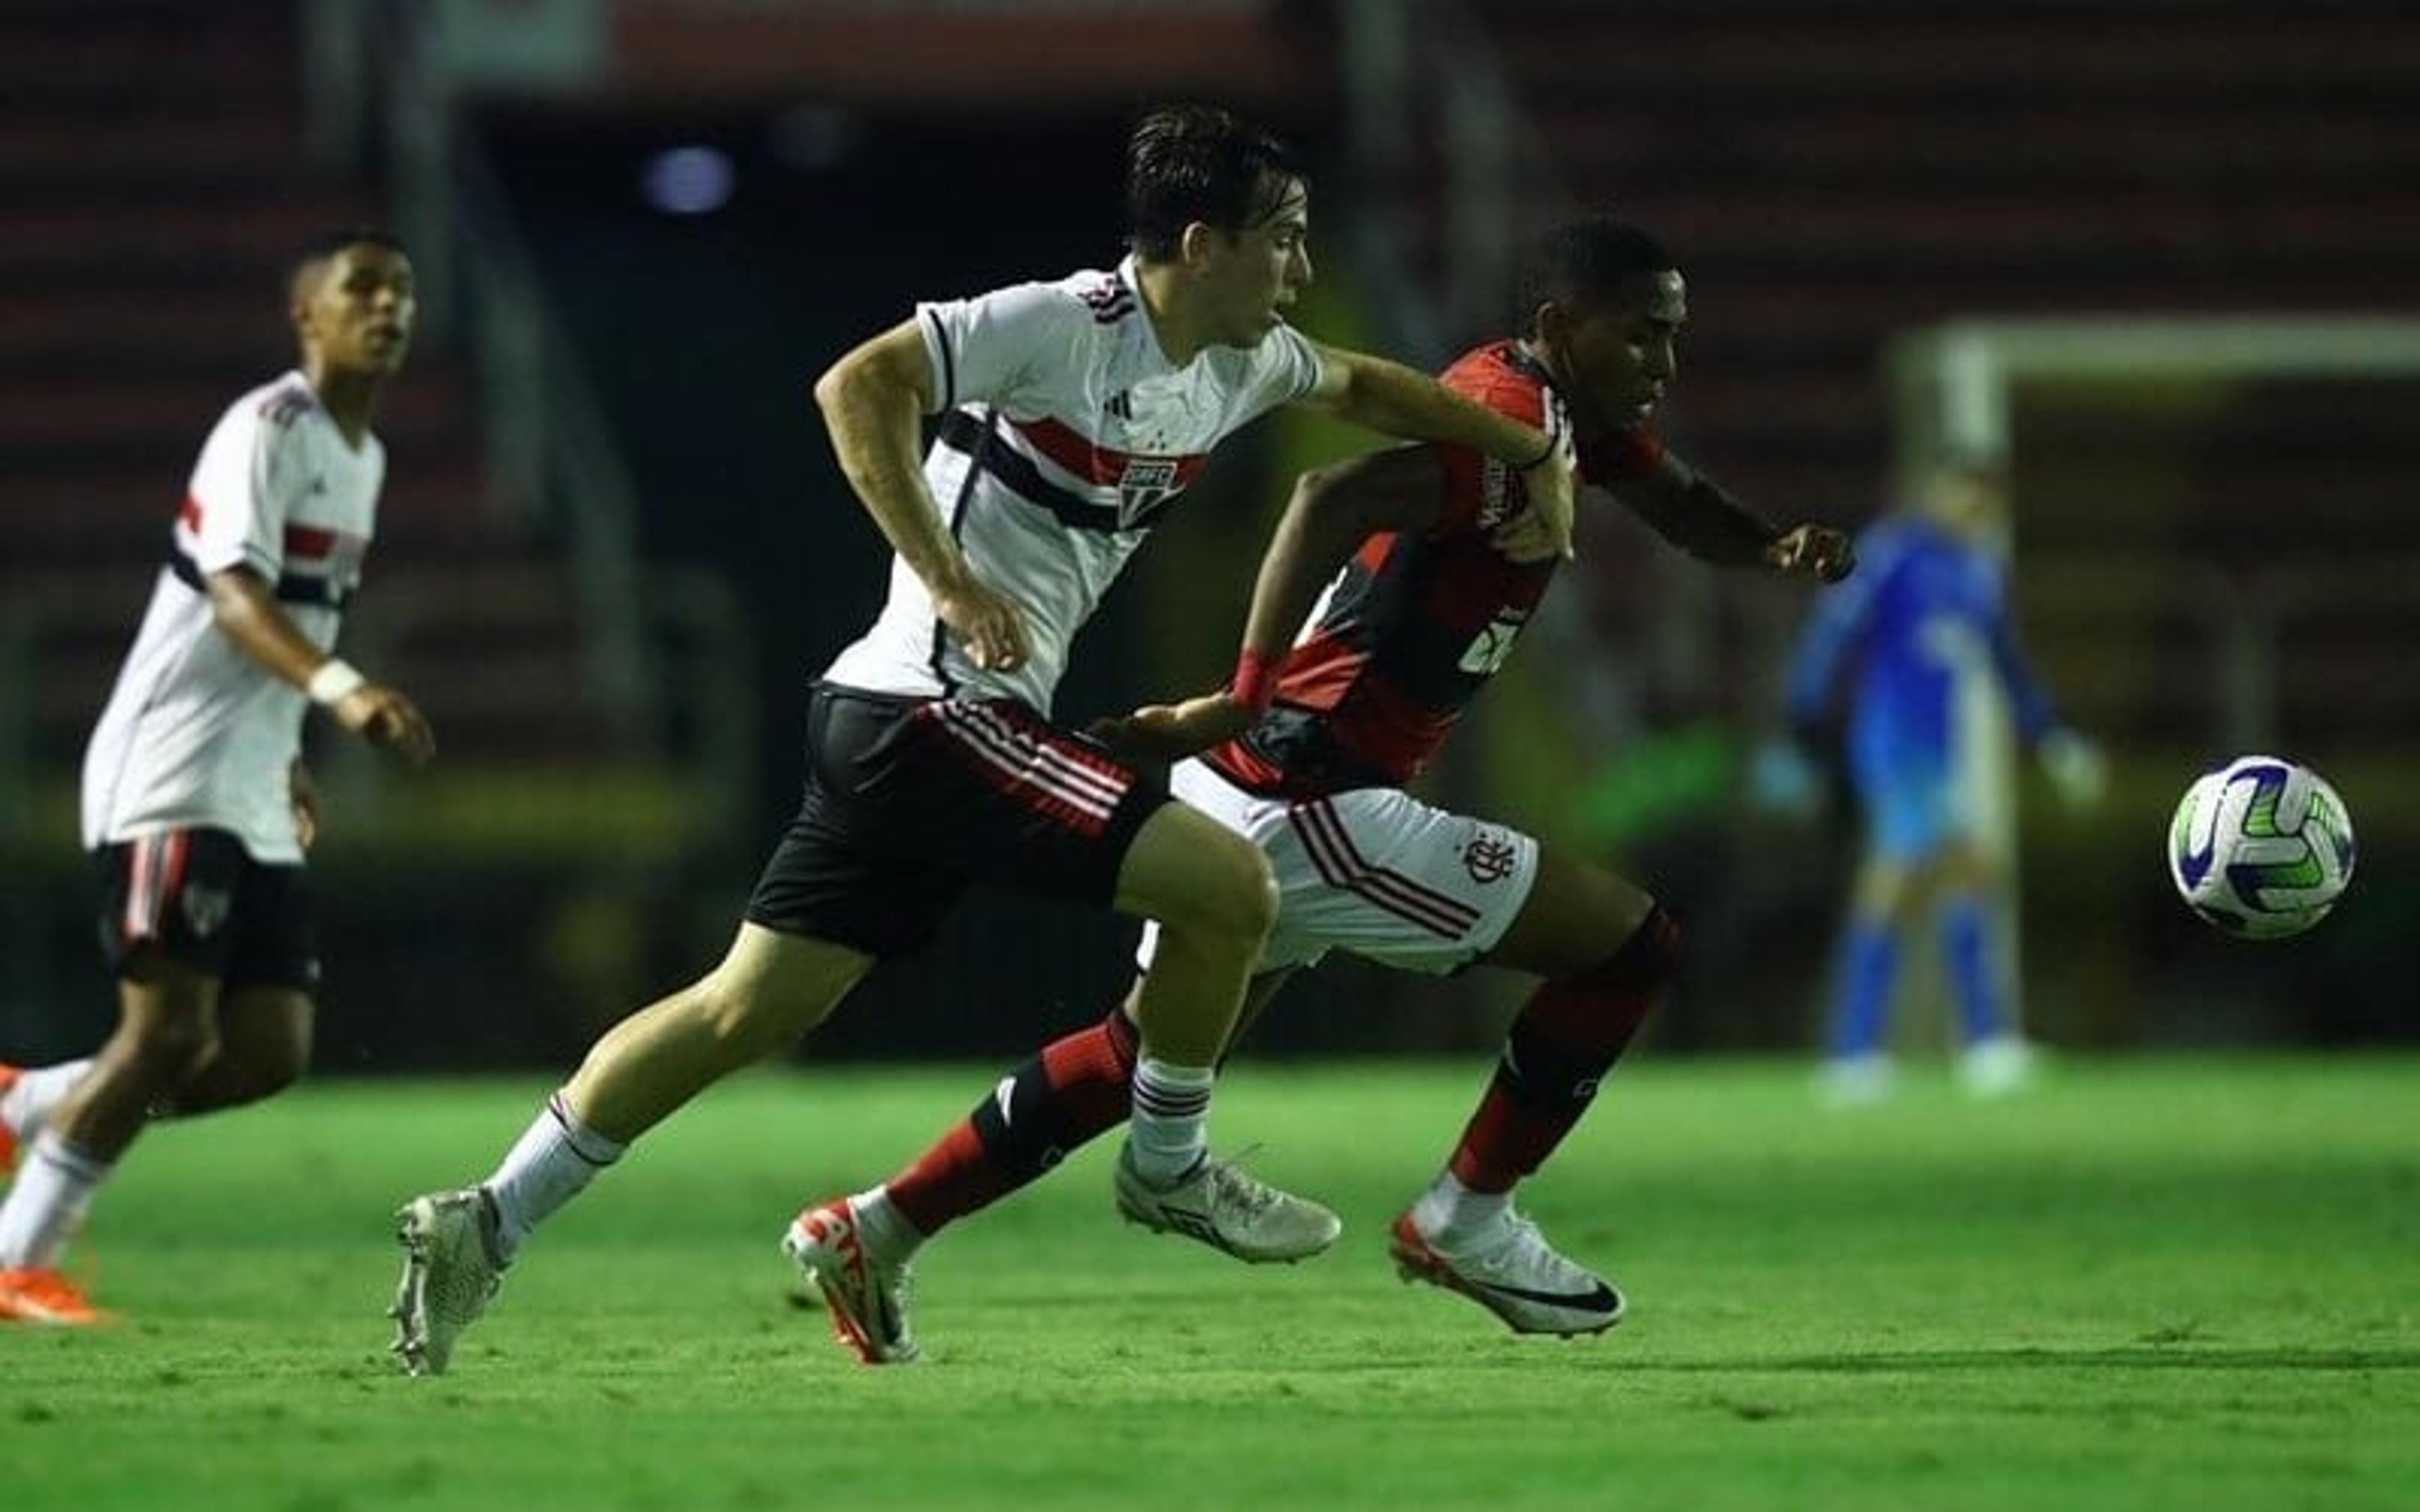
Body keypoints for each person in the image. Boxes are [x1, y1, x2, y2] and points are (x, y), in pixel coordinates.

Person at [387, 104, 1586, 1377]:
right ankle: (1170, 1164)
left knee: (743, 1008)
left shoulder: (1245, 362)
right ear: (1200, 241)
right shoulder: (1071, 323)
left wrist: (1531, 447)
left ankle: (489, 1219)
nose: (1298, 270)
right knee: (1228, 885)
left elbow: (1366, 384)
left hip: (891, 726)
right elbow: (858, 384)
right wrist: (951, 579)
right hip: (933, 711)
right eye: (1282, 242)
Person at [782, 217, 1855, 1364]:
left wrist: (1773, 544)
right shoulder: (1504, 422)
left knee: (1134, 1054)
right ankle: (1469, 1217)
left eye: (1675, 340)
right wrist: (1243, 694)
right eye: (1642, 338)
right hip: (1316, 794)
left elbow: (1684, 507)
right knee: (1629, 948)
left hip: (1275, 790)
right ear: (1558, 330)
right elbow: (1327, 498)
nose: (1664, 365)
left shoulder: (1568, 423)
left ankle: (880, 1226)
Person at [0, 231, 433, 1326]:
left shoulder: (364, 457)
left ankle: (29, 1103)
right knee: (168, 1035)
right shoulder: (266, 427)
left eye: (402, 293)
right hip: (173, 769)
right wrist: (340, 695)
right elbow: (234, 596)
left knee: (264, 1051)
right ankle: (16, 1256)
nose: (387, 308)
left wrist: (285, 746)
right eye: (362, 291)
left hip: (247, 779)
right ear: (309, 317)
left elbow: (295, 610)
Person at [1774, 450, 2102, 1104]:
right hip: (1892, 744)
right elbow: (1832, 635)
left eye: (1985, 498)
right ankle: (1860, 1053)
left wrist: (2053, 736)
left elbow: (2007, 661)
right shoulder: (1892, 553)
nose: (1974, 508)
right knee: (1902, 877)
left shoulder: (1978, 570)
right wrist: (1802, 728)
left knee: (1963, 873)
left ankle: (1965, 1046)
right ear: (1935, 492)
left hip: (1938, 749)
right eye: (1965, 493)